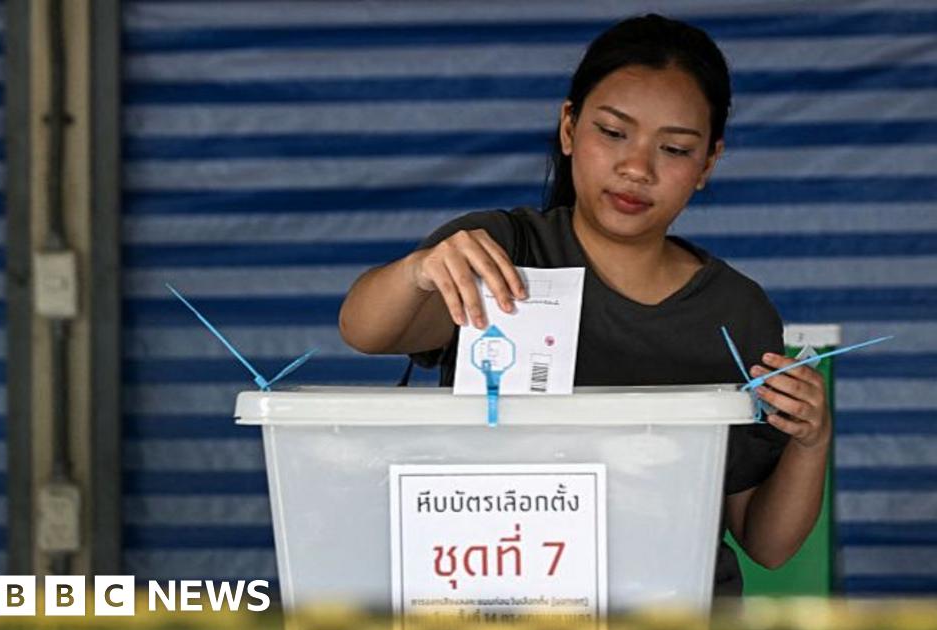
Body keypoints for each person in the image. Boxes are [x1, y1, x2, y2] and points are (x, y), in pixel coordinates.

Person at [339, 14, 831, 597]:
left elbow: (766, 543)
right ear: (569, 127)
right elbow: (364, 330)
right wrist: (419, 271)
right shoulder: (499, 252)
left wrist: (812, 440)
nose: (637, 168)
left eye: (674, 148)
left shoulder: (737, 312)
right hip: (506, 612)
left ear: (708, 163)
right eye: (614, 132)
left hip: (680, 626)